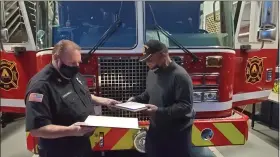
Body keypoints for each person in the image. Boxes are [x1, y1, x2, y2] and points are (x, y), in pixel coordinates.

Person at [25, 40, 120, 157]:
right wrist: (71, 130)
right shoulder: (40, 86)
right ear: (56, 58)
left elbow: (80, 94)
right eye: (72, 63)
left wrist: (104, 101)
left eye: (78, 63)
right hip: (60, 150)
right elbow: (37, 129)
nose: (76, 67)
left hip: (81, 144)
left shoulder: (71, 74)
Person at [128, 40, 195, 157]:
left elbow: (185, 106)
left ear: (163, 54)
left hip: (176, 136)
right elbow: (149, 94)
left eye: (150, 59)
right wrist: (134, 99)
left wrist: (158, 111)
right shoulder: (152, 73)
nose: (147, 63)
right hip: (156, 132)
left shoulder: (180, 76)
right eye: (145, 60)